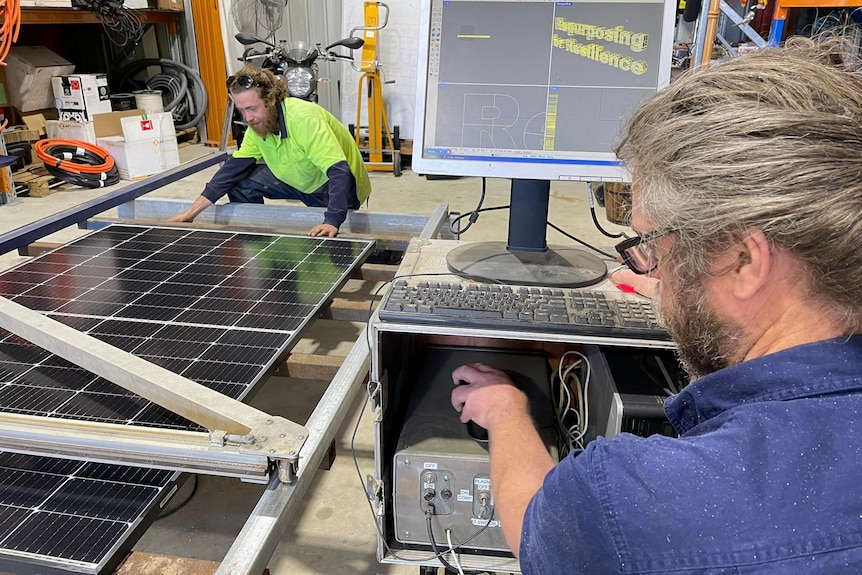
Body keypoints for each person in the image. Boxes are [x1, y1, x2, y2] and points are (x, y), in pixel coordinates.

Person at [450, 36, 862, 574]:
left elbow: (535, 530)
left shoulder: (633, 502)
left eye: (652, 245)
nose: (648, 269)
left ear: (743, 259)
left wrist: (505, 411)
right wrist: (689, 282)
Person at [169, 64, 371, 237]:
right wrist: (190, 214)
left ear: (272, 100)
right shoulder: (257, 127)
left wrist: (332, 221)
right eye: (242, 110)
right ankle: (259, 241)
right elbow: (231, 171)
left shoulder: (304, 119)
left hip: (333, 186)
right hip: (298, 178)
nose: (247, 118)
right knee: (239, 182)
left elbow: (339, 172)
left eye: (252, 108)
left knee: (332, 250)